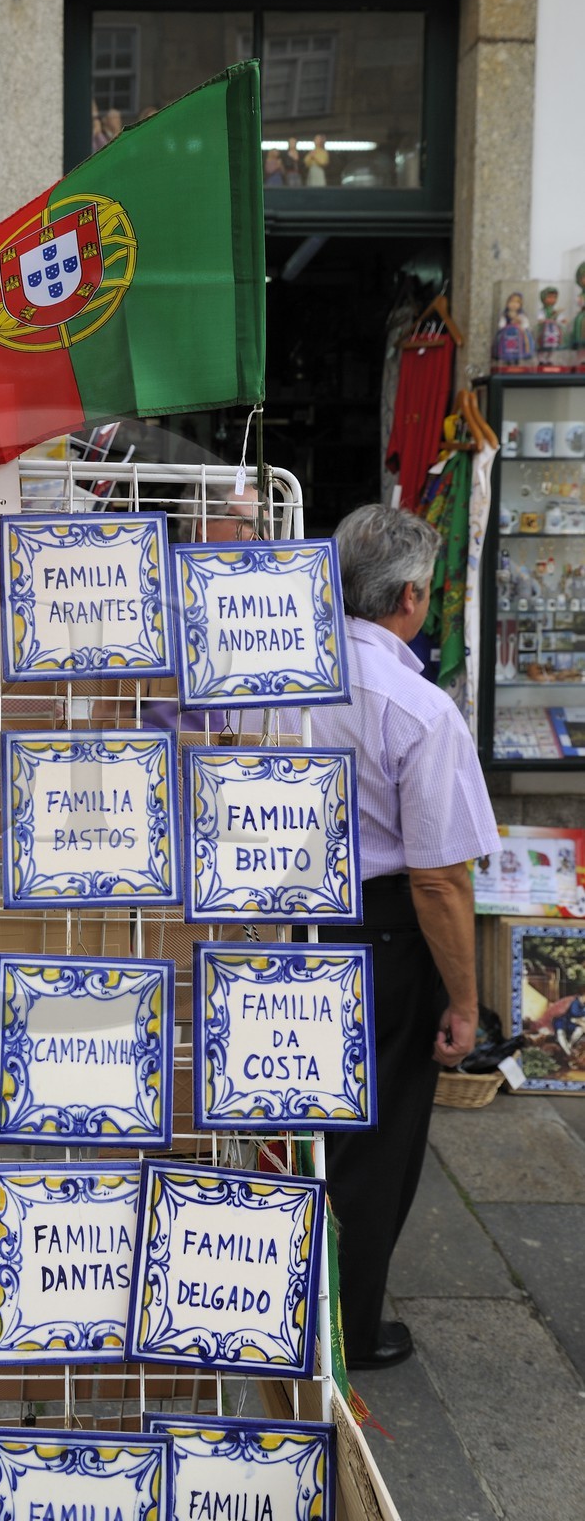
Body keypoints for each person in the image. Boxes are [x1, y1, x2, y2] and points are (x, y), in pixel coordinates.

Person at [308, 505, 499, 1371]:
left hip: (275, 923)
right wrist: (464, 1000)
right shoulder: (419, 709)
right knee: (373, 1142)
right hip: (381, 937)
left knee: (285, 1119)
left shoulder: (273, 679)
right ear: (413, 596)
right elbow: (438, 877)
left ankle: (262, 1306)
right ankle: (343, 1327)